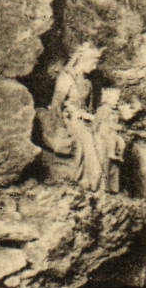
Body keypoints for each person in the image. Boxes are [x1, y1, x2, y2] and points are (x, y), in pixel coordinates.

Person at [39, 43, 102, 185]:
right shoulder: (66, 78)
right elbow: (56, 106)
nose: (95, 67)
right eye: (94, 62)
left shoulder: (87, 82)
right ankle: (90, 181)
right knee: (87, 139)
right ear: (82, 59)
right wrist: (62, 125)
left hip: (84, 120)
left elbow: (89, 108)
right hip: (69, 120)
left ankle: (103, 184)